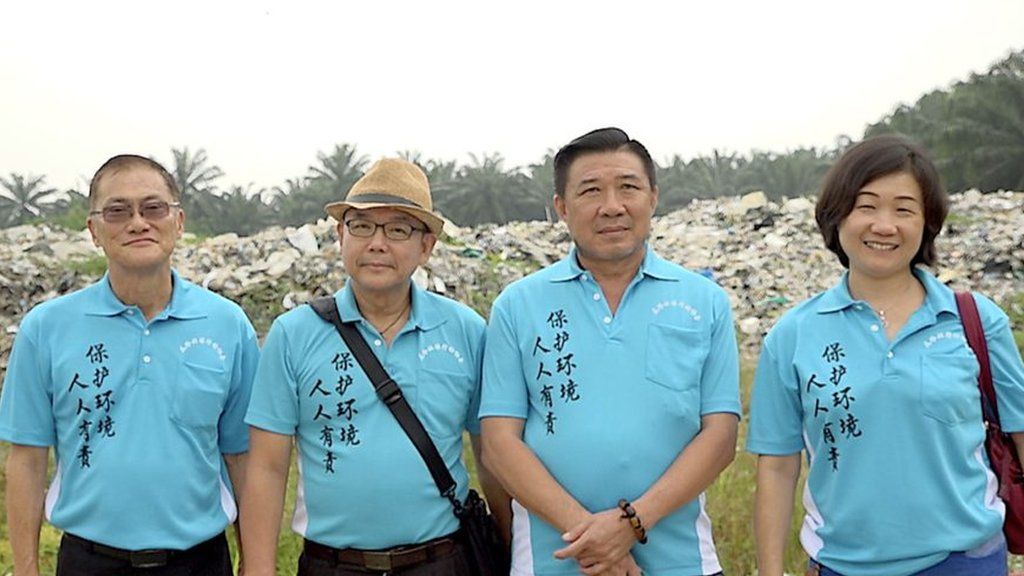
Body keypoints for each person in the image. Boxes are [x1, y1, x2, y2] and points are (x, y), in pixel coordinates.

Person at [747, 134, 1024, 576]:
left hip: (964, 561)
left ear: (926, 222)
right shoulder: (793, 334)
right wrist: (770, 571)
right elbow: (779, 467)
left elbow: (1020, 433)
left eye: (904, 209)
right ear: (838, 215)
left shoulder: (975, 320)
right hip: (843, 566)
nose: (884, 225)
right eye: (867, 205)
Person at [479, 127, 741, 575]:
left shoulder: (704, 300)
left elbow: (719, 436)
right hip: (552, 559)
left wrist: (630, 524)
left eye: (628, 187)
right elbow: (500, 442)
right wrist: (591, 538)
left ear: (653, 197)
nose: (612, 206)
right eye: (591, 191)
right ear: (561, 207)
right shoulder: (518, 304)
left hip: (680, 560)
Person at [241, 157, 510, 576]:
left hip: (441, 561)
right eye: (362, 226)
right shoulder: (294, 334)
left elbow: (492, 453)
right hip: (334, 564)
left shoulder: (466, 331)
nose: (377, 243)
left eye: (398, 229)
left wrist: (509, 551)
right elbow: (267, 466)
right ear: (339, 236)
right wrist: (258, 570)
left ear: (426, 246)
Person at [0, 154, 259, 576]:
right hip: (89, 560)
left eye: (153, 208)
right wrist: (27, 568)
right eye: (117, 211)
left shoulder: (228, 325)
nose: (138, 222)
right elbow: (27, 459)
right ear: (94, 230)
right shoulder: (46, 329)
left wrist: (255, 561)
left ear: (178, 221)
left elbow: (242, 457)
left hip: (199, 561)